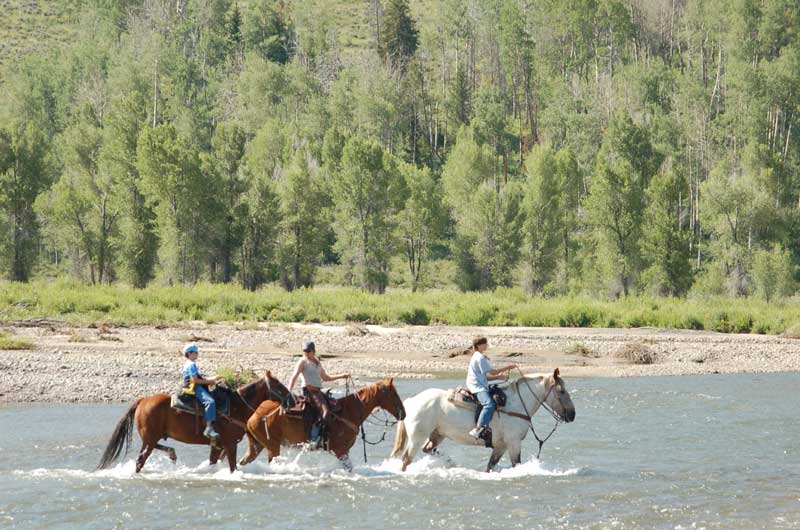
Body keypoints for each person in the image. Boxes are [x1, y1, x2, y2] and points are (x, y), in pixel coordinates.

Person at [288, 341, 350, 444]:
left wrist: (342, 376)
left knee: (335, 406)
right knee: (325, 412)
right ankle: (313, 438)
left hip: (318, 392)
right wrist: (288, 391)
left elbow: (325, 378)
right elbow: (294, 376)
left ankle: (327, 436)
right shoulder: (303, 362)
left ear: (313, 351)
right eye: (304, 351)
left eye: (308, 351)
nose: (306, 353)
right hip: (309, 392)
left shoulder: (317, 362)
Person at [465, 336, 517, 439]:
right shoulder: (479, 357)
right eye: (485, 344)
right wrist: (508, 367)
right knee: (489, 404)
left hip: (478, 383)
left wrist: (498, 377)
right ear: (480, 345)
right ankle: (477, 428)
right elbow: (492, 372)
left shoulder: (477, 356)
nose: (487, 346)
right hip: (476, 386)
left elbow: (485, 376)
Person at [181, 343, 226, 441]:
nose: (197, 354)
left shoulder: (191, 364)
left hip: (196, 385)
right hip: (193, 387)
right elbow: (195, 380)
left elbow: (201, 378)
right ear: (189, 354)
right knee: (210, 402)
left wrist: (215, 377)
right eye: (195, 352)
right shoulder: (191, 364)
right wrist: (211, 381)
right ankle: (209, 428)